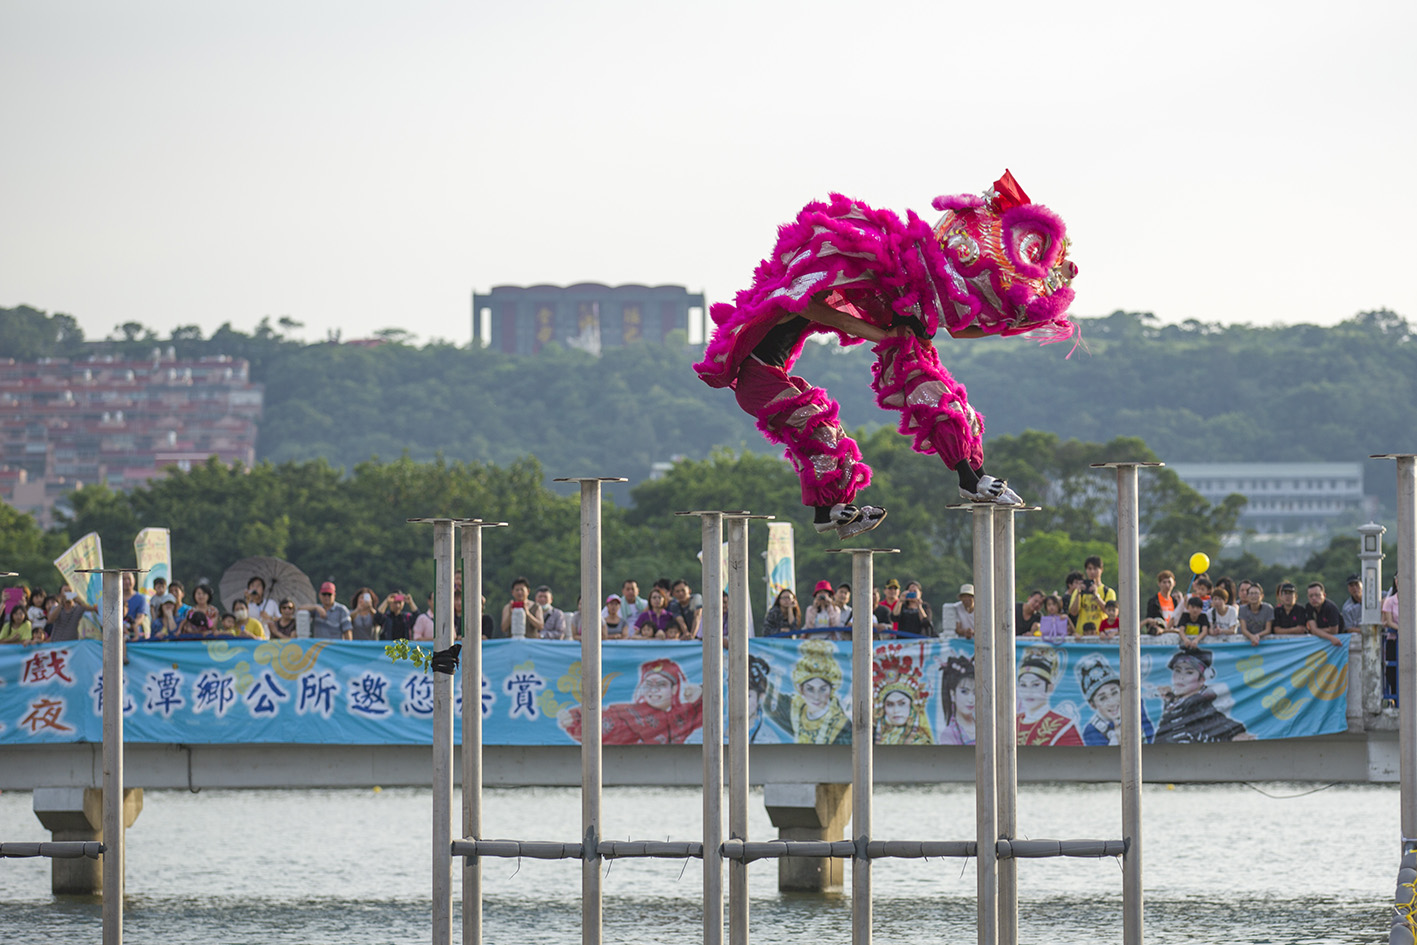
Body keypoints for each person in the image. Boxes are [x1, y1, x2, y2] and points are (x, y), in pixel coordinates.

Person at [693, 171, 1077, 538]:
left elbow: (961, 331)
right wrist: (883, 335)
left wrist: (1015, 323)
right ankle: (966, 481)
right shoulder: (835, 291)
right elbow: (807, 306)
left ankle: (836, 514)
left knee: (943, 408)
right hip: (757, 378)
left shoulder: (926, 299)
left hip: (775, 376)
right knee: (828, 427)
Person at [557, 657, 704, 745]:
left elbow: (705, 708)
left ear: (674, 689)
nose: (654, 691)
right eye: (649, 685)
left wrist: (701, 690)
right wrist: (575, 718)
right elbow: (603, 723)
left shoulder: (683, 715)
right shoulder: (630, 713)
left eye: (661, 685)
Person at [1153, 648, 1252, 743]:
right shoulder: (1174, 703)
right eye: (1177, 671)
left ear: (1202, 680)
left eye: (1189, 672)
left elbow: (1218, 720)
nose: (1180, 677)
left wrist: (1236, 734)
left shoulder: (1199, 705)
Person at [767, 639, 850, 744]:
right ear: (800, 689)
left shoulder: (843, 727)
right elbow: (767, 699)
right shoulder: (794, 710)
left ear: (832, 689)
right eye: (810, 689)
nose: (816, 696)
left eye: (823, 689)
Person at [1076, 652, 1153, 746]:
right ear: (1093, 705)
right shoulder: (1092, 731)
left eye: (1114, 693)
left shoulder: (1135, 706)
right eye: (1102, 698)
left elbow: (1150, 739)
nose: (1112, 702)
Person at [1016, 645, 1083, 746]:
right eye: (1023, 685)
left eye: (1035, 685)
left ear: (1050, 687)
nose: (1029, 692)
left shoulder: (1065, 727)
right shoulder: (1013, 721)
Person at [873, 651, 934, 744]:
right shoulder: (878, 738)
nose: (896, 710)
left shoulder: (922, 742)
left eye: (902, 704)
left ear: (912, 706)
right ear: (883, 708)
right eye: (889, 705)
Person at [1067, 556, 1116, 641]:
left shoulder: (1108, 591)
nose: (1092, 572)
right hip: (1082, 635)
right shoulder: (1079, 590)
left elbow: (1111, 613)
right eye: (1089, 569)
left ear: (1101, 570)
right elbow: (1073, 612)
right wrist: (1078, 593)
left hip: (1102, 635)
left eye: (1095, 568)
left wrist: (1096, 596)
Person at [936, 654, 977, 745]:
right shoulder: (948, 734)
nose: (971, 700)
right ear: (952, 694)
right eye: (964, 692)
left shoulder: (985, 726)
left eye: (975, 693)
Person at [1304, 581, 1347, 646]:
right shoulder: (1309, 606)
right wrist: (1330, 637)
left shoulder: (1330, 608)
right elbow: (1313, 630)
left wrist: (1317, 631)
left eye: (1317, 595)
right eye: (1311, 596)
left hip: (1339, 641)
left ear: (1324, 595)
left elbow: (1334, 631)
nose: (1314, 598)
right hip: (1328, 639)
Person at [122, 571, 149, 640]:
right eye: (123, 579)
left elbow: (140, 617)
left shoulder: (140, 598)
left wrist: (129, 626)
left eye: (129, 579)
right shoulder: (115, 598)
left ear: (134, 581)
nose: (126, 582)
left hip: (134, 635)